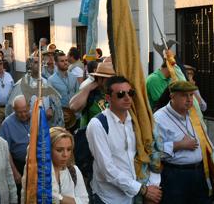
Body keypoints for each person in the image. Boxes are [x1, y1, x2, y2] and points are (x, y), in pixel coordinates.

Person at [86, 76, 161, 204]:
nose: (127, 98)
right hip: (109, 197)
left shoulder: (136, 122)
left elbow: (150, 152)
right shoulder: (97, 124)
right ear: (108, 98)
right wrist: (142, 190)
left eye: (130, 93)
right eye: (121, 94)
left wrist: (153, 185)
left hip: (135, 196)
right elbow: (107, 170)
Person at [154, 81, 212, 203]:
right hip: (175, 176)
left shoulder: (193, 114)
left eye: (191, 95)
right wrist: (179, 145)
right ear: (172, 96)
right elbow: (152, 151)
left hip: (199, 173)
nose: (189, 99)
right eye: (184, 95)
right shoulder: (159, 118)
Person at [0, 95, 30, 202]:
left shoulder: (36, 117)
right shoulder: (7, 124)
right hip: (19, 164)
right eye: (19, 112)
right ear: (14, 110)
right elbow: (5, 150)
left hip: (37, 162)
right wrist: (15, 171)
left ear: (29, 106)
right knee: (20, 196)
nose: (23, 114)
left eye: (25, 111)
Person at [49, 127, 89, 204]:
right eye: (59, 150)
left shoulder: (73, 170)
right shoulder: (39, 172)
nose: (65, 154)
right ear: (48, 149)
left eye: (69, 149)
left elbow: (84, 201)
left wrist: (58, 197)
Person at [48, 50, 79, 131]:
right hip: (60, 118)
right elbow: (50, 101)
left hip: (74, 117)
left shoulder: (73, 77)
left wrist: (77, 114)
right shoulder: (51, 80)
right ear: (56, 63)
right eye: (62, 61)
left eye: (66, 60)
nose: (65, 63)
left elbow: (77, 94)